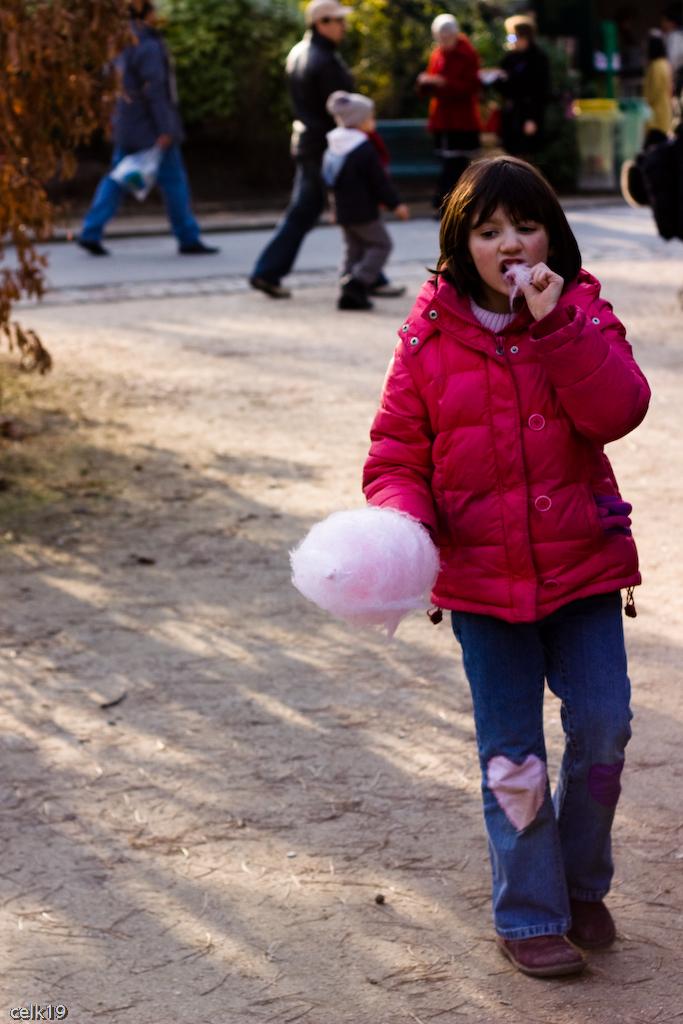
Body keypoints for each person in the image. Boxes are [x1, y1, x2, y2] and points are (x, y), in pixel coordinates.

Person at [363, 156, 650, 978]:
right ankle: (528, 911)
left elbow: (617, 410)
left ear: (549, 235)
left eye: (523, 225)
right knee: (512, 755)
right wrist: (403, 524)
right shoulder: (425, 337)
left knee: (603, 729)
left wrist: (555, 323)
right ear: (462, 246)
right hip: (483, 588)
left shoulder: (581, 312)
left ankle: (578, 881)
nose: (509, 243)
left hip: (582, 570)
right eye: (488, 231)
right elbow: (393, 455)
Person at [78, 0, 218, 257]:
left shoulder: (119, 43)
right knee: (174, 182)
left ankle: (91, 229)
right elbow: (156, 91)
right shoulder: (149, 45)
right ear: (146, 14)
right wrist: (166, 129)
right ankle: (187, 236)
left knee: (117, 178)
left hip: (126, 124)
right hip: (150, 128)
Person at [248, 0, 355, 300]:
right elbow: (339, 109)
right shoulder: (324, 59)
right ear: (322, 23)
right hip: (325, 145)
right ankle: (364, 276)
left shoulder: (301, 52)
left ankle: (268, 271)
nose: (343, 26)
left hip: (309, 142)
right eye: (338, 21)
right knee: (353, 208)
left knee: (313, 210)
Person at [323, 92, 409, 310]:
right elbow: (378, 182)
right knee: (381, 244)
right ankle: (357, 282)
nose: (373, 122)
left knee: (354, 249)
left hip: (343, 211)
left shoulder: (333, 147)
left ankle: (347, 286)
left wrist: (333, 208)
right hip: (364, 211)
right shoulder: (363, 148)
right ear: (359, 121)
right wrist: (396, 204)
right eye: (371, 117)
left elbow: (329, 181)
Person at [416, 14, 481, 214]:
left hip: (462, 119)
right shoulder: (437, 54)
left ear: (454, 34)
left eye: (446, 37)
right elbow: (431, 83)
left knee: (458, 164)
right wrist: (426, 82)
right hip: (442, 118)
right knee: (449, 163)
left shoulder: (467, 54)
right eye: (440, 38)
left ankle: (449, 203)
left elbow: (471, 86)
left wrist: (442, 82)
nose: (443, 42)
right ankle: (447, 204)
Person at [495, 18, 551, 159]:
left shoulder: (538, 59)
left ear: (525, 37)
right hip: (511, 114)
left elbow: (541, 91)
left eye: (514, 37)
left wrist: (532, 118)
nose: (512, 40)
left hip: (528, 114)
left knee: (526, 155)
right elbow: (502, 86)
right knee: (510, 154)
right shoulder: (510, 58)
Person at [643, 32, 674, 147]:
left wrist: (646, 102)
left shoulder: (655, 65)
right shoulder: (665, 63)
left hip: (655, 114)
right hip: (664, 111)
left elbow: (654, 91)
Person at [660, 3, 683, 98]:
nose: (662, 23)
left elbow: (671, 62)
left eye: (664, 20)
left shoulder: (674, 37)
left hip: (676, 79)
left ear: (672, 22)